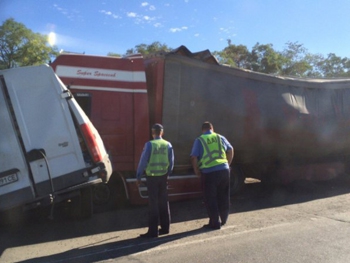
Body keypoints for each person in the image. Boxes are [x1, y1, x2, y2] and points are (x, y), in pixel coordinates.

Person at [190, 121, 234, 230]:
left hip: (209, 173)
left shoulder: (199, 140)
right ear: (212, 128)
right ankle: (224, 219)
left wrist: (196, 170)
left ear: (202, 130)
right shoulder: (220, 137)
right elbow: (230, 149)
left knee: (210, 198)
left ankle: (215, 222)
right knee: (223, 195)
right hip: (224, 170)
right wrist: (227, 164)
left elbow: (194, 157)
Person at [136, 123, 174, 238]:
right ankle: (165, 228)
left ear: (153, 133)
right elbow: (171, 162)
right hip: (163, 176)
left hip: (152, 178)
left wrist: (138, 176)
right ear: (162, 133)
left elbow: (143, 162)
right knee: (164, 201)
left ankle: (153, 231)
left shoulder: (149, 145)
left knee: (153, 204)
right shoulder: (168, 144)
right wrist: (168, 173)